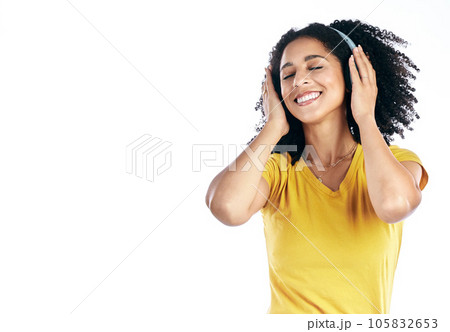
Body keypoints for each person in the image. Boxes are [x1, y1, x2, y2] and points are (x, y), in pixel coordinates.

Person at [205, 19, 429, 314]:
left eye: (315, 67)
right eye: (288, 75)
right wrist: (273, 127)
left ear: (352, 76)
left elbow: (394, 205)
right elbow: (226, 208)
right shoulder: (278, 170)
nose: (299, 81)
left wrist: (365, 117)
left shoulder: (397, 160)